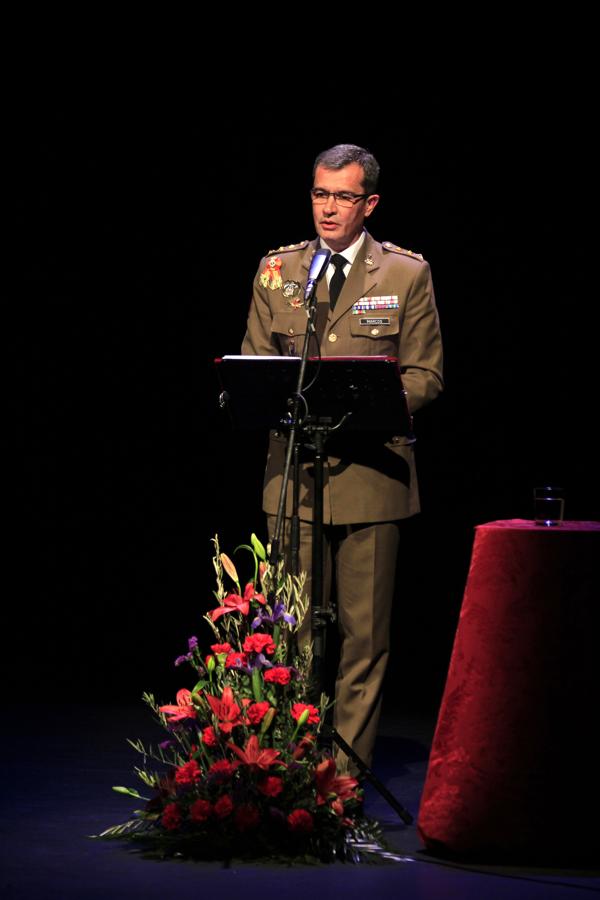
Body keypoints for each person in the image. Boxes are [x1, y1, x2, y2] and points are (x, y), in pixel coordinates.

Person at [241, 144, 443, 775]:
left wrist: (359, 408)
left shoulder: (405, 274)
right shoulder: (278, 270)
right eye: (320, 194)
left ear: (370, 203)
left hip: (370, 480)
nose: (329, 209)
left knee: (363, 638)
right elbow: (254, 365)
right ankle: (294, 768)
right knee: (293, 634)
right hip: (294, 481)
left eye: (344, 197)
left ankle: (344, 779)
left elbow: (426, 376)